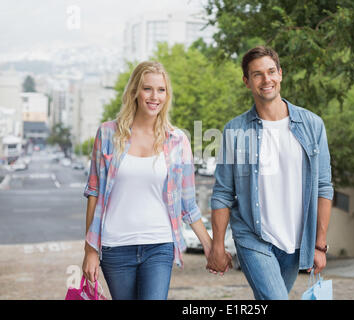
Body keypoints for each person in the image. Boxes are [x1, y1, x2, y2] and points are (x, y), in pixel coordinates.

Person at [206, 46, 334, 300]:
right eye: (257, 74)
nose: (266, 80)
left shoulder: (312, 125)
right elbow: (222, 193)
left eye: (271, 71)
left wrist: (319, 244)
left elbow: (323, 187)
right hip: (253, 236)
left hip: (295, 242)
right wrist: (217, 246)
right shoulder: (235, 130)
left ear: (281, 74)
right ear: (247, 82)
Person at [82, 61, 213, 300]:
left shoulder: (177, 141)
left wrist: (209, 245)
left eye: (161, 90)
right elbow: (94, 193)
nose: (155, 96)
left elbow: (187, 203)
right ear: (134, 92)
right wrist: (90, 249)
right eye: (147, 89)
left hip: (159, 244)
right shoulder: (108, 134)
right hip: (115, 246)